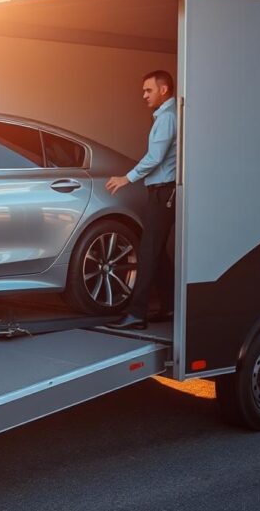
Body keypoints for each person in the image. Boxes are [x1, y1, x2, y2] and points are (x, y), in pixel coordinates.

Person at [104, 70, 177, 330]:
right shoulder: (166, 115)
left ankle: (137, 314)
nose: (144, 95)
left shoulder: (167, 117)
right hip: (161, 192)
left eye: (148, 90)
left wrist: (127, 178)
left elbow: (155, 157)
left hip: (164, 193)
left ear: (163, 90)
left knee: (148, 253)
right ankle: (170, 306)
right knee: (158, 253)